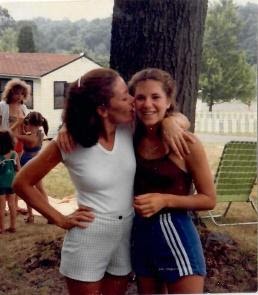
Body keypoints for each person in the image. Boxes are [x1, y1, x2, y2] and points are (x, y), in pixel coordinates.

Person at [13, 68, 136, 295]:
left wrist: (172, 124)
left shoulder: (130, 127)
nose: (133, 100)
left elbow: (174, 118)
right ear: (102, 109)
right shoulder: (70, 142)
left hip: (126, 233)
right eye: (125, 96)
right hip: (89, 237)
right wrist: (59, 219)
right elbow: (21, 182)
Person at [128, 68, 216, 294]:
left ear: (168, 101)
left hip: (177, 236)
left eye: (156, 97)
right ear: (133, 102)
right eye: (140, 97)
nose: (148, 104)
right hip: (140, 237)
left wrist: (165, 200)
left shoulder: (187, 144)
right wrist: (67, 128)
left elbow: (209, 199)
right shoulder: (129, 137)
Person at [0, 78, 31, 215]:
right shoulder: (2, 106)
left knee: (16, 174)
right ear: (10, 92)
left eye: (22, 94)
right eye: (16, 93)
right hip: (5, 145)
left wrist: (27, 131)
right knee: (4, 173)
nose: (19, 96)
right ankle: (3, 204)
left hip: (20, 145)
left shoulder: (23, 108)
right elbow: (2, 131)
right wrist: (17, 123)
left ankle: (14, 204)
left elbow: (26, 128)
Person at [15, 111, 49, 223]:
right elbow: (28, 132)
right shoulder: (40, 134)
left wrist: (17, 124)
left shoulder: (29, 138)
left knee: (26, 190)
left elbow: (13, 135)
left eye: (27, 123)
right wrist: (23, 125)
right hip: (38, 162)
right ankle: (49, 214)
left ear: (29, 123)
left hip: (27, 163)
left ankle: (31, 216)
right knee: (41, 189)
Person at [0, 130, 20, 234]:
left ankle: (1, 228)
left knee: (1, 208)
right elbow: (19, 169)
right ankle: (13, 226)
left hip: (0, 184)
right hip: (12, 183)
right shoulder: (14, 154)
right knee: (12, 205)